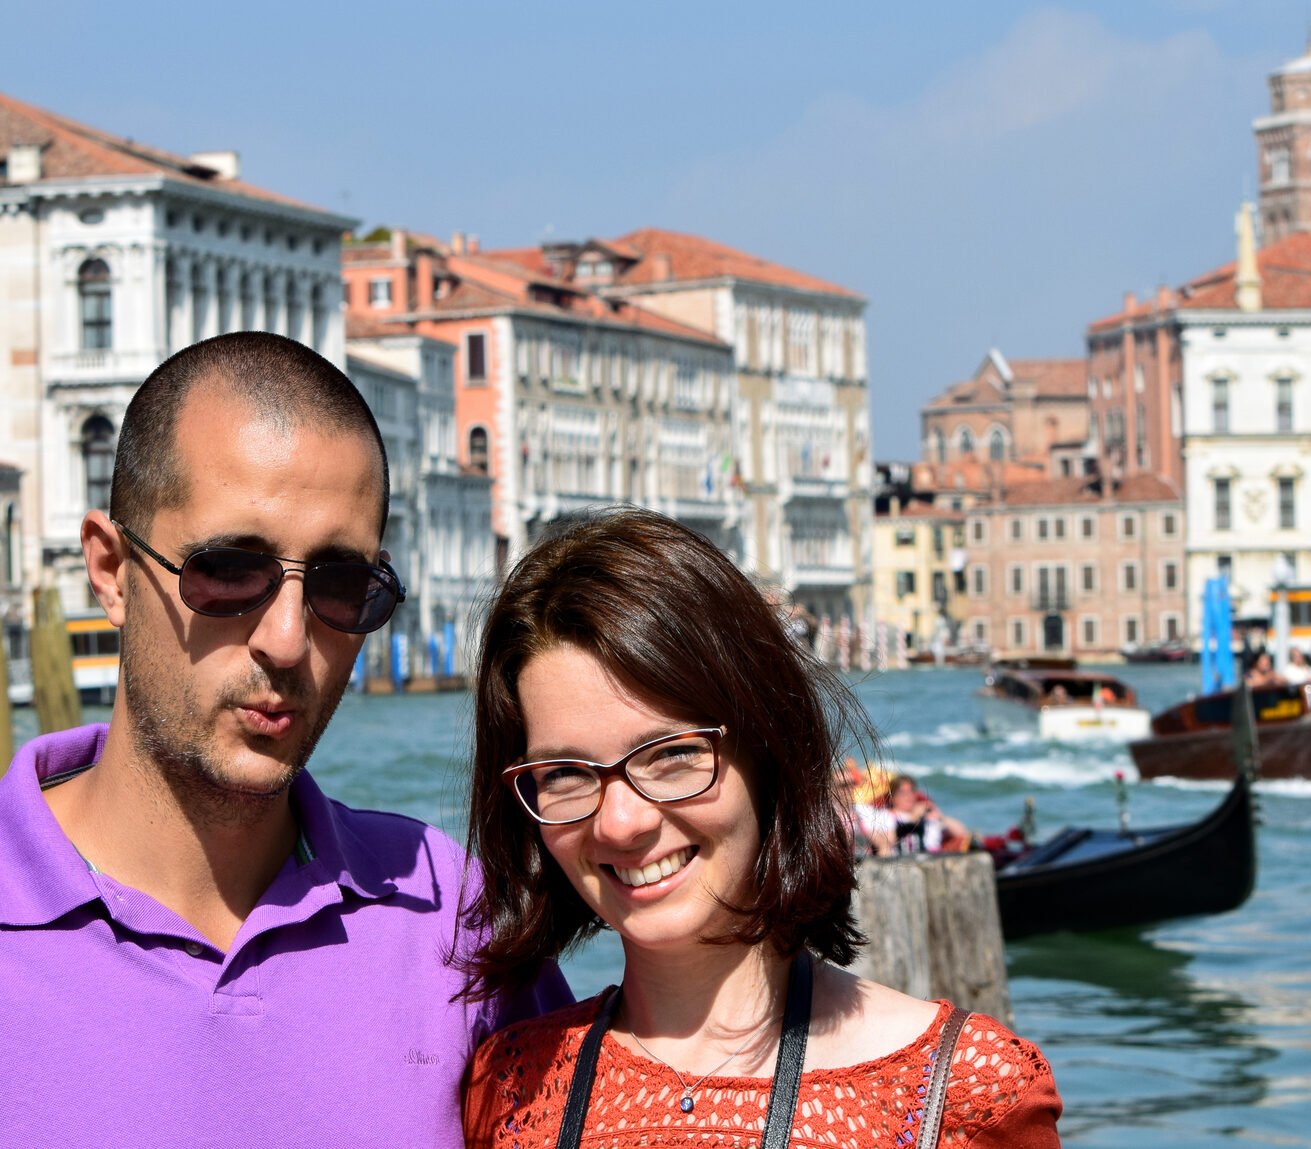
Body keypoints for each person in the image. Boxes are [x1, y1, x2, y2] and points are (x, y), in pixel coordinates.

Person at [0, 333, 570, 1147]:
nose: (289, 637)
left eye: (342, 585)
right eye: (231, 569)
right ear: (112, 569)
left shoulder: (449, 916)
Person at [459, 507, 1060, 1148]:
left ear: (769, 752)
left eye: (671, 754)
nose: (623, 823)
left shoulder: (959, 1095)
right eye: (566, 773)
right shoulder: (508, 1088)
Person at [885, 772, 972, 853]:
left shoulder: (927, 815)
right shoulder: (886, 816)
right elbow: (889, 842)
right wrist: (914, 818)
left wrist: (941, 817)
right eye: (903, 792)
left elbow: (962, 833)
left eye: (912, 791)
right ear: (892, 797)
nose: (908, 796)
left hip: (935, 856)